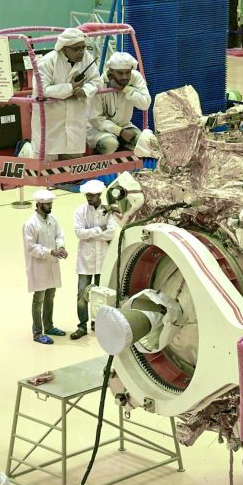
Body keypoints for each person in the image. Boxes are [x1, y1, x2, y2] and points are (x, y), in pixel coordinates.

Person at [23, 27, 101, 160]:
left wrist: (84, 91)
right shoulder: (48, 62)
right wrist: (70, 88)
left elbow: (96, 80)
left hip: (75, 119)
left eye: (83, 47)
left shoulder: (86, 58)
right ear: (64, 49)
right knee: (46, 164)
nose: (81, 52)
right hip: (51, 120)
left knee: (73, 165)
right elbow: (41, 90)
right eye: (76, 49)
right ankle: (24, 150)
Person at [72, 179, 117, 340]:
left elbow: (111, 232)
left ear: (99, 195)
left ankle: (97, 324)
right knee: (82, 295)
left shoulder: (109, 211)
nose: (89, 198)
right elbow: (79, 233)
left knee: (101, 295)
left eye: (92, 195)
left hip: (103, 260)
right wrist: (99, 230)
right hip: (85, 261)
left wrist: (91, 234)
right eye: (87, 195)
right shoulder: (80, 211)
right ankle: (82, 326)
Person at [24, 189, 68, 344]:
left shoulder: (52, 219)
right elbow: (31, 248)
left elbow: (59, 235)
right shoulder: (31, 224)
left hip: (51, 265)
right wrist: (51, 252)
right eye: (48, 204)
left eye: (51, 204)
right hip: (39, 267)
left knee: (50, 297)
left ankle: (49, 326)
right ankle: (37, 333)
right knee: (39, 299)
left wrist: (61, 247)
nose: (50, 207)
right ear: (39, 204)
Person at [87, 52, 152, 154]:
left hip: (125, 125)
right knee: (110, 144)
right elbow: (96, 119)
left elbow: (145, 104)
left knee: (145, 143)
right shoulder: (99, 84)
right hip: (100, 130)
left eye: (127, 72)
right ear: (111, 72)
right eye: (120, 73)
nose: (125, 77)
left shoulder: (135, 78)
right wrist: (120, 131)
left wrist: (125, 89)